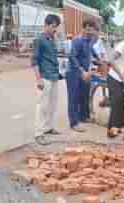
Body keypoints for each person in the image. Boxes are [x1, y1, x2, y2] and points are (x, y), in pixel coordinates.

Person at [31, 14, 62, 145]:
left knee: (52, 104)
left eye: (56, 27)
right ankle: (39, 133)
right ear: (46, 25)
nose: (55, 29)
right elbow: (34, 61)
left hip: (54, 76)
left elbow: (54, 58)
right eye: (53, 27)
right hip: (45, 77)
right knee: (42, 106)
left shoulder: (51, 39)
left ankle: (49, 127)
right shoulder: (39, 39)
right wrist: (38, 79)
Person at [67, 19, 99, 133]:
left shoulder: (90, 40)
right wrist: (82, 71)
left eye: (92, 30)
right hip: (74, 72)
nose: (91, 32)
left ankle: (84, 117)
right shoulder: (77, 40)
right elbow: (72, 57)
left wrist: (99, 60)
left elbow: (92, 51)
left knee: (85, 95)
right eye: (89, 30)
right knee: (74, 98)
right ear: (84, 28)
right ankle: (74, 123)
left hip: (85, 72)